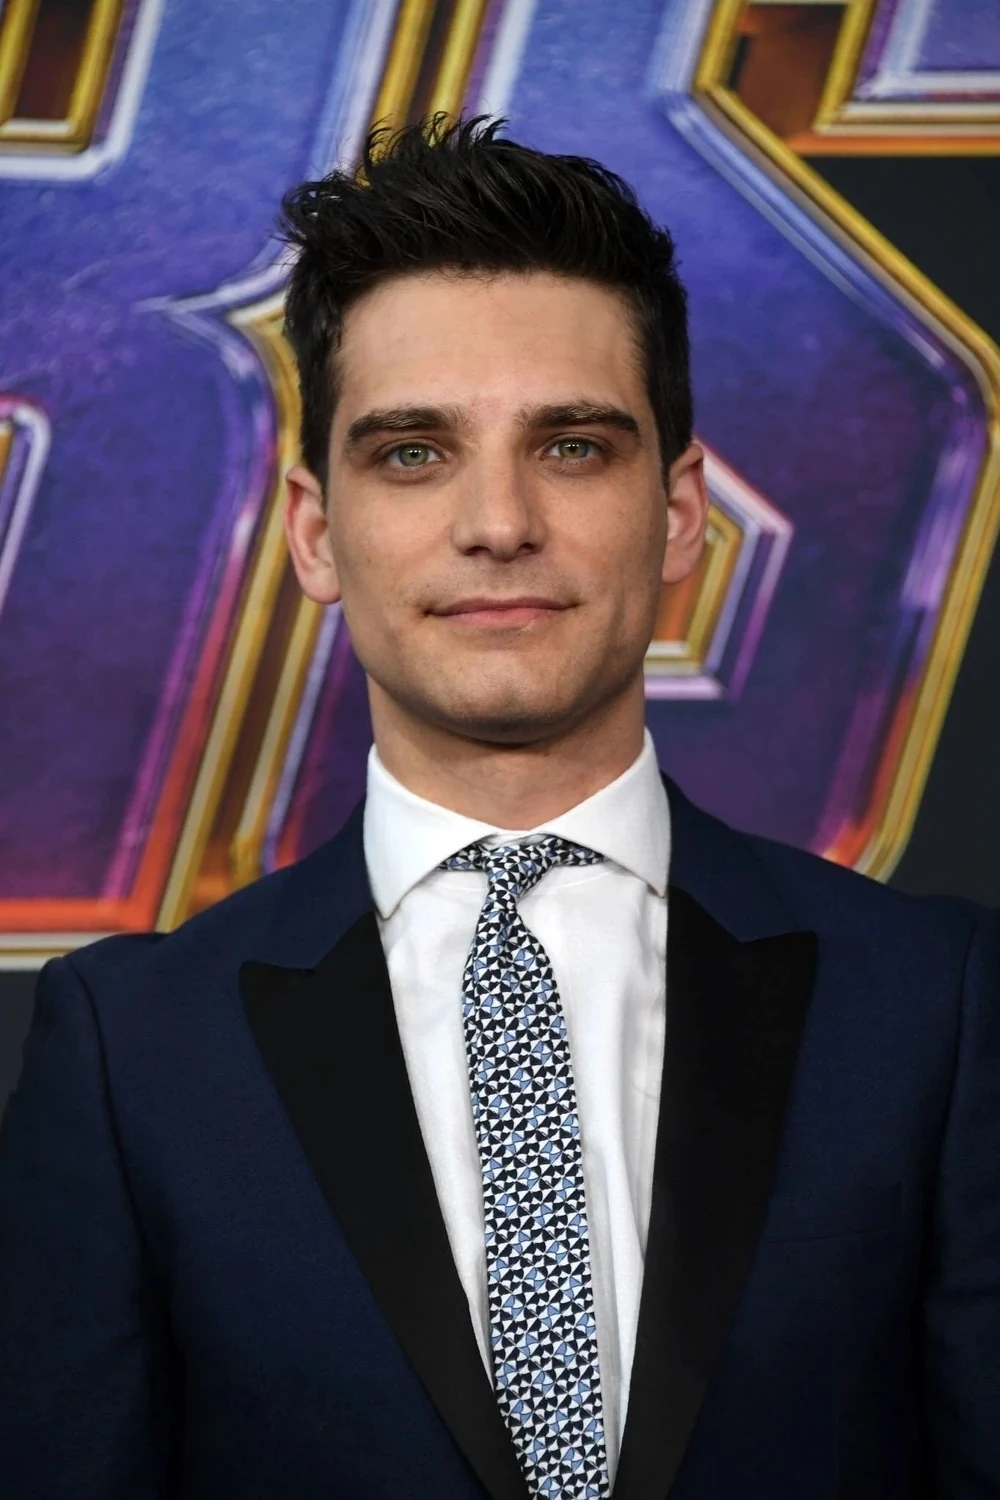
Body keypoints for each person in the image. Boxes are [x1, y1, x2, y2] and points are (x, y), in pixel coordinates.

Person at [0, 115, 997, 1500]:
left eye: (573, 446)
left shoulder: (935, 1004)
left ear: (679, 513)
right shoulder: (134, 1055)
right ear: (314, 531)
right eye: (413, 452)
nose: (499, 523)